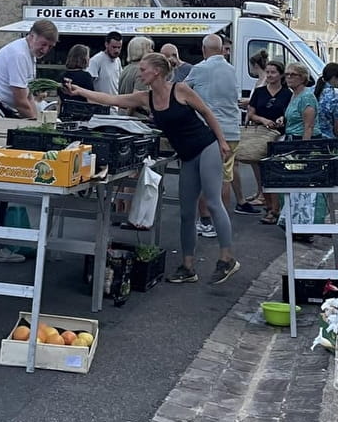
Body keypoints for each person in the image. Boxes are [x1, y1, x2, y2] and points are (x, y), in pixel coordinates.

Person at [65, 53, 241, 285]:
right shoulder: (144, 98)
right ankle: (188, 267)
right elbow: (111, 99)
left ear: (157, 71)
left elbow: (207, 113)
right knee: (187, 213)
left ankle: (227, 258)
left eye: (144, 69)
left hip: (206, 147)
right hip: (187, 156)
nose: (140, 73)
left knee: (212, 202)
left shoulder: (180, 90)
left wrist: (222, 142)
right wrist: (81, 91)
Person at [185, 34, 241, 234]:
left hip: (210, 131)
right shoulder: (231, 69)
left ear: (203, 49)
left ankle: (207, 221)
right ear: (221, 49)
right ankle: (221, 223)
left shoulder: (200, 69)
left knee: (206, 179)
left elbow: (181, 91)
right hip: (232, 130)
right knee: (225, 178)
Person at [0, 20, 59, 118]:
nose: (45, 50)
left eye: (50, 47)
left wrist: (37, 120)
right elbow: (21, 102)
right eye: (43, 44)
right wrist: (36, 126)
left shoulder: (29, 53)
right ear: (32, 36)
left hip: (0, 110)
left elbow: (28, 96)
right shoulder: (19, 54)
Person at [243, 59, 291, 221]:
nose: (270, 75)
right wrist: (263, 120)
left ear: (281, 75)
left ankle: (275, 210)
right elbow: (251, 113)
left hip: (278, 136)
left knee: (273, 172)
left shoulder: (287, 94)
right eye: (268, 72)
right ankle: (269, 205)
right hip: (260, 134)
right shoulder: (259, 92)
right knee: (262, 173)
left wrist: (282, 119)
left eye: (273, 72)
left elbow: (289, 113)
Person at [279, 62, 320, 236]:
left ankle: (305, 227)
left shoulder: (307, 97)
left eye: (292, 75)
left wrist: (304, 151)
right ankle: (292, 222)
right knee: (292, 186)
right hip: (291, 141)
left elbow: (308, 126)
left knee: (303, 187)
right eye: (287, 74)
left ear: (302, 77)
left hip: (303, 143)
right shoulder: (293, 95)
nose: (288, 78)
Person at [313, 63, 338, 138]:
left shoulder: (308, 92)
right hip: (327, 140)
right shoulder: (336, 99)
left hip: (307, 137)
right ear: (334, 78)